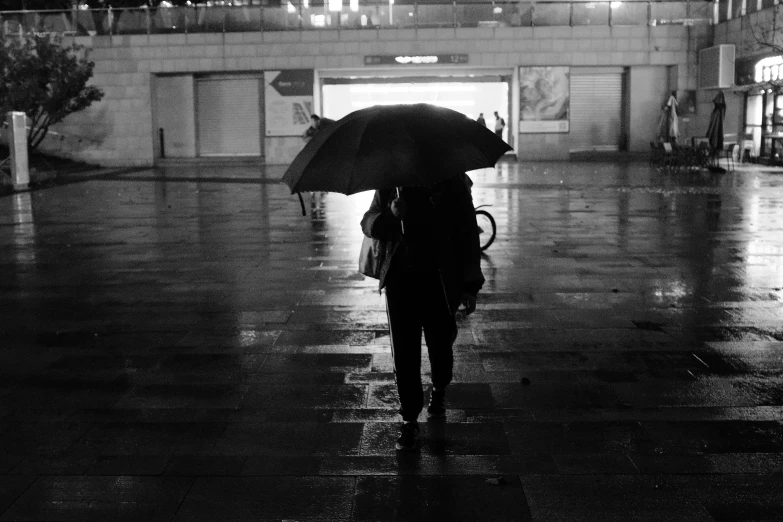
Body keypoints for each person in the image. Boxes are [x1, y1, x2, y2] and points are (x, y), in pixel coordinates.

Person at [360, 174, 485, 451]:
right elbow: (368, 221)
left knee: (440, 344)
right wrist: (391, 216)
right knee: (404, 351)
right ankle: (409, 419)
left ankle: (439, 388)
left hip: (440, 282)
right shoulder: (391, 182)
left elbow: (467, 234)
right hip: (400, 282)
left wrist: (470, 286)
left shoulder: (451, 183)